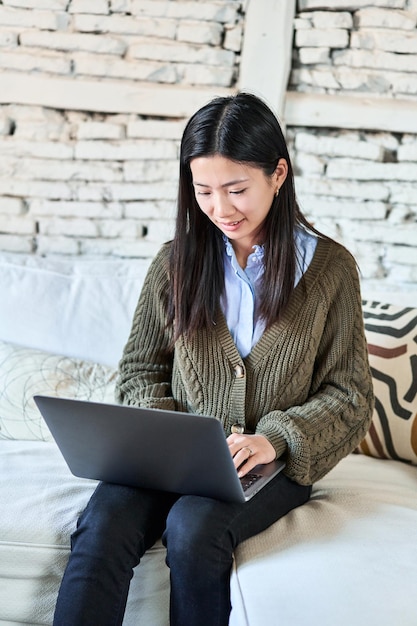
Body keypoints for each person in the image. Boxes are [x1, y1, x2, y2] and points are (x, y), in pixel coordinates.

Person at [53, 92, 374, 626]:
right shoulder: (175, 262)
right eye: (203, 191)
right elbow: (140, 369)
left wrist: (274, 437)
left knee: (193, 528)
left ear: (278, 174)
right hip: (169, 454)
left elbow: (350, 395)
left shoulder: (331, 270)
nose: (220, 209)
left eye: (236, 189)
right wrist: (173, 437)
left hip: (273, 465)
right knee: (102, 525)